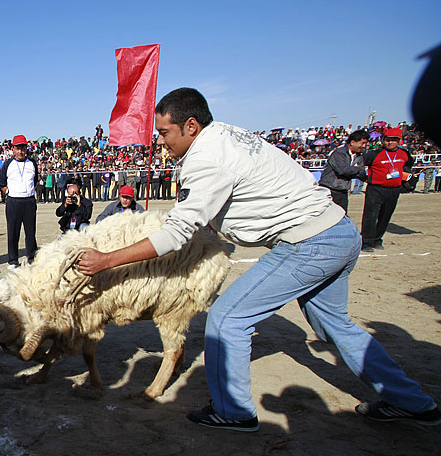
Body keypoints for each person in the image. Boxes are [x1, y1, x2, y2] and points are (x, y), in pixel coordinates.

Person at [77, 88, 439, 431]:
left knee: (227, 318)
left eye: (164, 132)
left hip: (307, 242)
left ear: (191, 126)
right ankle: (410, 401)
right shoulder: (229, 134)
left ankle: (233, 412)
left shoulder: (205, 159)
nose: (160, 140)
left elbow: (176, 234)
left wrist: (106, 259)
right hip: (338, 231)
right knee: (335, 326)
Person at [360, 128, 415, 251]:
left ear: (399, 141)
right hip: (376, 189)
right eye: (388, 140)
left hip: (394, 189)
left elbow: (408, 165)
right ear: (383, 141)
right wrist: (367, 178)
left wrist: (405, 176)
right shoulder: (374, 154)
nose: (390, 143)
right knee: (371, 216)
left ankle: (377, 239)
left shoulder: (404, 154)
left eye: (394, 140)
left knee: (386, 216)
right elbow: (361, 165)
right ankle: (366, 242)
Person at [0, 135, 39, 269]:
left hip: (29, 201)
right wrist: (10, 193)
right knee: (13, 232)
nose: (21, 151)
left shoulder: (32, 163)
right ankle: (13, 260)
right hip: (13, 202)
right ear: (13, 149)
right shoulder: (8, 164)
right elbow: (2, 182)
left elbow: (35, 180)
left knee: (30, 232)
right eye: (18, 148)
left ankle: (32, 257)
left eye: (23, 148)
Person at [317, 129, 369, 213]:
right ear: (352, 142)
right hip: (329, 191)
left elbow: (362, 173)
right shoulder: (338, 153)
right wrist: (357, 169)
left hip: (343, 192)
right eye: (362, 143)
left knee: (341, 217)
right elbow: (343, 170)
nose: (364, 146)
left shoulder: (359, 156)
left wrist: (355, 171)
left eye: (365, 143)